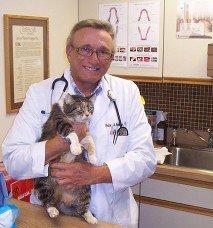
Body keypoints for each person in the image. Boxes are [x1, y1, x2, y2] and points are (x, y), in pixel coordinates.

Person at [2, 19, 156, 226]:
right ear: (69, 51)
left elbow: (146, 160)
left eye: (103, 52)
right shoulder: (40, 93)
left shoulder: (127, 92)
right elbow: (13, 160)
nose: (94, 58)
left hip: (110, 217)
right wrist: (61, 143)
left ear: (111, 58)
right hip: (52, 216)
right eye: (85, 49)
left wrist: (95, 174)